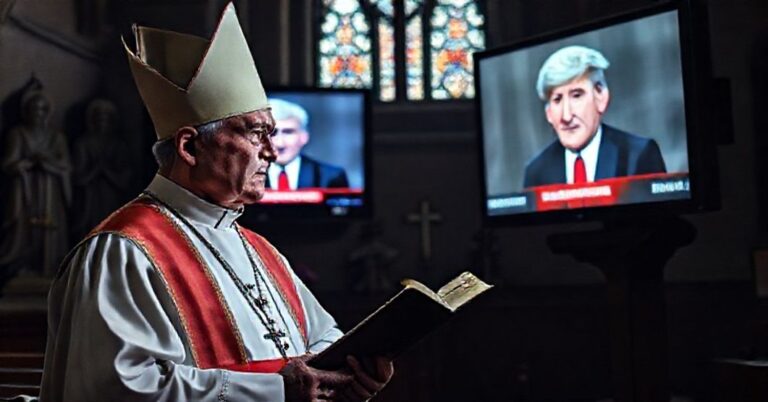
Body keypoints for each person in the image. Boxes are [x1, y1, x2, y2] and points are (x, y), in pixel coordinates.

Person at [40, 3, 393, 401]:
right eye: (256, 133)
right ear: (190, 147)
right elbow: (116, 390)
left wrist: (350, 373)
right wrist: (276, 391)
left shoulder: (261, 250)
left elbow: (324, 338)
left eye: (273, 134)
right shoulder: (122, 251)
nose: (272, 152)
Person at [523, 45, 667, 188]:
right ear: (548, 113)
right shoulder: (536, 171)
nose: (566, 116)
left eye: (577, 96)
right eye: (557, 99)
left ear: (601, 98)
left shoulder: (639, 155)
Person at [0, 84, 72, 282]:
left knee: (50, 226)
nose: (37, 114)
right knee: (25, 228)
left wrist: (47, 162)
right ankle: (24, 264)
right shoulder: (18, 134)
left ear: (47, 112)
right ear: (26, 112)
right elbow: (8, 163)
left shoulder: (56, 137)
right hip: (25, 190)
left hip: (51, 190)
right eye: (33, 109)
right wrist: (28, 162)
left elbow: (66, 166)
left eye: (41, 109)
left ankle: (49, 265)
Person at [266, 98, 349, 190]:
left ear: (304, 136)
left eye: (288, 132)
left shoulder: (331, 176)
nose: (280, 144)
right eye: (272, 133)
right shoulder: (251, 174)